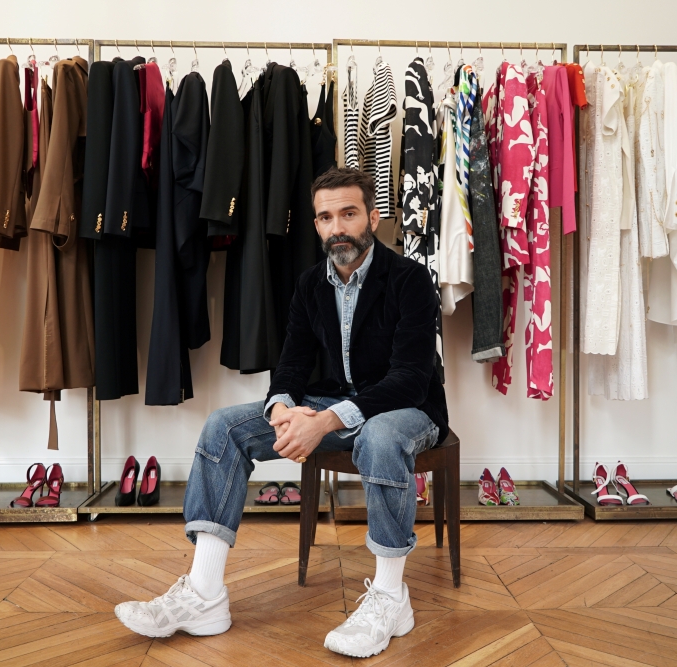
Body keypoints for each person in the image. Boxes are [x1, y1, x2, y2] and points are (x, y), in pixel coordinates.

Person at [114, 167, 449, 659]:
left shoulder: (410, 279)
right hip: (330, 403)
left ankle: (390, 598)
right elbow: (291, 364)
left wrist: (325, 422)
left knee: (378, 436)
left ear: (372, 218)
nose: (338, 226)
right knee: (224, 426)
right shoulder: (311, 283)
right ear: (315, 225)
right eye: (326, 216)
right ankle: (205, 595)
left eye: (349, 214)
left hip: (409, 409)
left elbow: (410, 378)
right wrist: (283, 411)